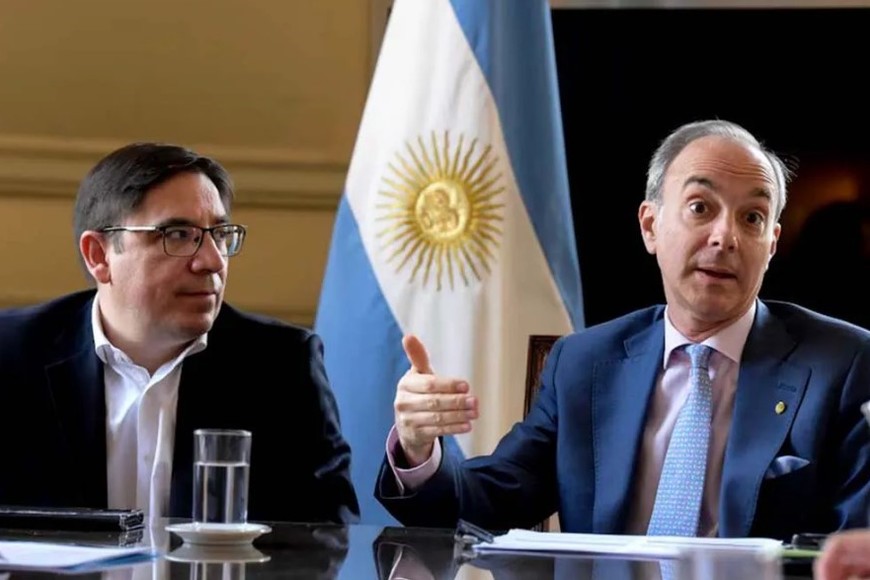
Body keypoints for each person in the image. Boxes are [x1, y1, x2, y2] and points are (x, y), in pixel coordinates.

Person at [374, 119, 870, 540]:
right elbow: (494, 498)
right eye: (701, 208)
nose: (726, 236)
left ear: (772, 244)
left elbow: (855, 543)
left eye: (753, 218)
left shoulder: (842, 363)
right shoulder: (585, 363)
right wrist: (419, 449)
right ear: (650, 226)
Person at [0, 142, 360, 524]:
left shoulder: (280, 365)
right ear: (99, 256)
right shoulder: (13, 356)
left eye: (219, 234)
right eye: (177, 235)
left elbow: (327, 538)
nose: (213, 261)